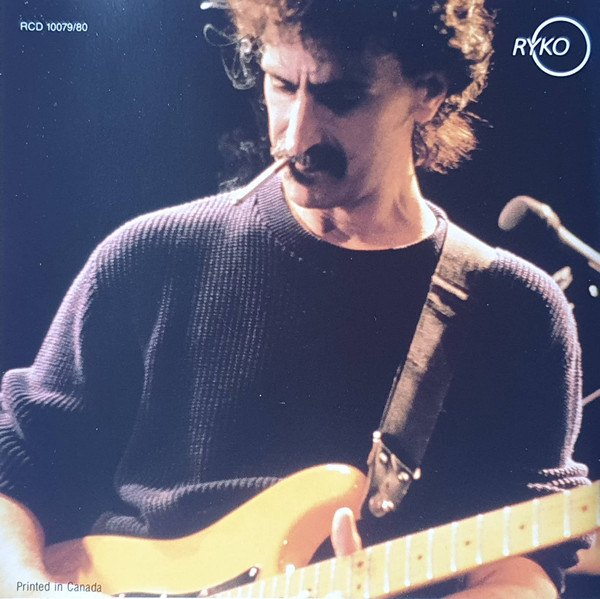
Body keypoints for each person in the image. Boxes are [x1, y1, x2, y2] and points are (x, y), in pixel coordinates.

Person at [0, 0, 591, 597]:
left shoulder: (516, 308)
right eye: (282, 85)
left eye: (342, 96)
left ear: (429, 92)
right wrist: (26, 585)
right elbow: (16, 460)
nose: (297, 133)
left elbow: (522, 569)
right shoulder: (151, 254)